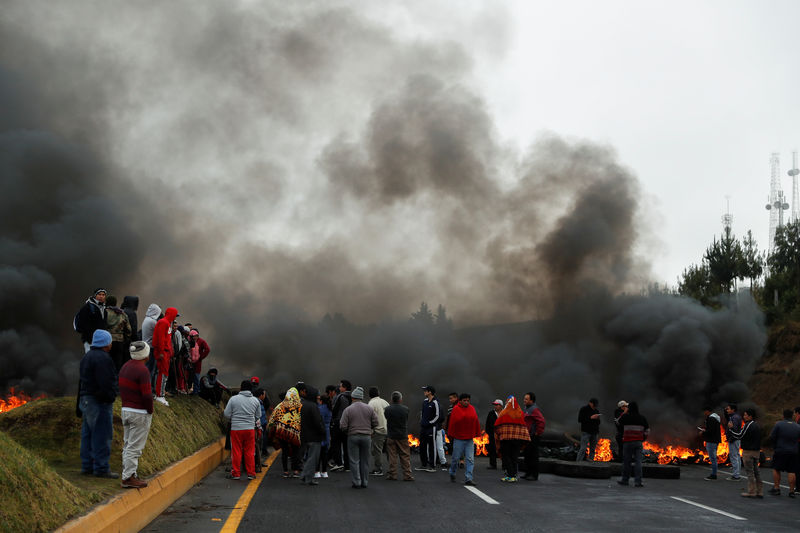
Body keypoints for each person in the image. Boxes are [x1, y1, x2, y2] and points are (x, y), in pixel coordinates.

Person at [78, 329, 119, 478]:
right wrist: (110, 397)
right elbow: (106, 382)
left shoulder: (87, 356)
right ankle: (101, 468)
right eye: (109, 341)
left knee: (88, 434)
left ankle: (87, 466)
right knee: (102, 434)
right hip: (99, 402)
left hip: (86, 399)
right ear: (105, 343)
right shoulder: (103, 358)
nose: (111, 344)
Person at [119, 341, 153, 488]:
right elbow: (146, 395)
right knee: (134, 447)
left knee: (127, 445)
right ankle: (128, 477)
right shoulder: (143, 370)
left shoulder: (125, 366)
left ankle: (129, 474)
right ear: (145, 354)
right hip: (139, 412)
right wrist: (150, 410)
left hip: (125, 409)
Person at [339, 386, 378, 488]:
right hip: (366, 437)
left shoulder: (348, 409)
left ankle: (356, 482)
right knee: (365, 461)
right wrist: (370, 429)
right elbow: (376, 422)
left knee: (354, 460)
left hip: (353, 437)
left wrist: (348, 431)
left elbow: (342, 426)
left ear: (352, 397)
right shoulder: (369, 408)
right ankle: (364, 482)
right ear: (361, 397)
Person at [223, 380, 262, 480]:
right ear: (251, 389)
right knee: (250, 451)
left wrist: (235, 417)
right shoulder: (255, 400)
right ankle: (251, 473)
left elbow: (226, 414)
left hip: (236, 429)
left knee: (236, 451)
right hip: (249, 429)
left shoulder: (233, 399)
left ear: (241, 388)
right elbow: (258, 416)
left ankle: (236, 473)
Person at [447, 393, 481, 486]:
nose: (466, 402)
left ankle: (469, 478)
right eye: (464, 400)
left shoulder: (472, 409)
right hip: (459, 438)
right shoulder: (456, 409)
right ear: (460, 401)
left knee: (470, 459)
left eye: (468, 400)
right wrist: (451, 435)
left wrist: (475, 433)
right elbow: (453, 423)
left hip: (469, 438)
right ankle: (452, 472)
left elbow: (475, 420)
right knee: (455, 458)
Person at [494, 396, 530, 483]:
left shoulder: (504, 413)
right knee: (514, 457)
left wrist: (499, 434)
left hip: (506, 439)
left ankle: (510, 475)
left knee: (506, 456)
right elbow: (524, 426)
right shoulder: (520, 413)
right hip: (517, 440)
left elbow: (497, 425)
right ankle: (513, 475)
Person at [269, 387, 302, 478]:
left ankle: (286, 472)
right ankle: (295, 471)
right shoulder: (299, 406)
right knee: (296, 451)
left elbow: (272, 420)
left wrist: (273, 430)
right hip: (295, 433)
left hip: (282, 432)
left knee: (285, 451)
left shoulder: (280, 406)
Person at [767, 409, 800, 496]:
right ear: (792, 416)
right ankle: (792, 491)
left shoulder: (779, 424)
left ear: (783, 416)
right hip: (793, 452)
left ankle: (776, 488)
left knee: (776, 469)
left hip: (780, 450)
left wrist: (774, 446)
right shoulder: (797, 426)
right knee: (792, 471)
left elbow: (772, 436)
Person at [731, 407, 762, 498]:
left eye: (745, 415)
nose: (744, 417)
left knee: (750, 472)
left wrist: (731, 429)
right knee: (757, 472)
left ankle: (752, 492)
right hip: (756, 451)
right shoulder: (757, 425)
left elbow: (740, 435)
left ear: (750, 416)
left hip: (749, 451)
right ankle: (759, 492)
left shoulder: (748, 425)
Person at [616, 401, 649, 487]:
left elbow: (618, 422)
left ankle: (625, 480)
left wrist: (624, 412)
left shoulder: (626, 417)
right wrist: (643, 439)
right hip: (638, 442)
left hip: (628, 442)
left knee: (627, 461)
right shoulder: (642, 418)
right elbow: (647, 430)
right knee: (638, 462)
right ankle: (638, 482)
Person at [384, 391, 414, 481]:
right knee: (405, 455)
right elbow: (406, 419)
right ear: (400, 399)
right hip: (402, 435)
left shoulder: (387, 409)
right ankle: (407, 475)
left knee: (392, 456)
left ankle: (392, 474)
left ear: (391, 399)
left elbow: (386, 418)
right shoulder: (406, 409)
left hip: (391, 435)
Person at [299, 386, 325, 486]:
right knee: (313, 458)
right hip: (314, 436)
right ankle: (307, 477)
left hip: (304, 435)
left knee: (309, 457)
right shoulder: (313, 406)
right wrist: (323, 432)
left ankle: (306, 476)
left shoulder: (302, 404)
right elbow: (318, 422)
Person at [152, 307, 179, 406]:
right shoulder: (164, 323)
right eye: (175, 315)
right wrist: (161, 352)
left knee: (164, 373)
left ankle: (160, 393)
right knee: (162, 373)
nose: (175, 318)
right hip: (163, 352)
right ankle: (160, 395)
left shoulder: (167, 323)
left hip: (166, 352)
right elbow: (160, 339)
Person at [416, 385, 441, 473]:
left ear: (430, 392)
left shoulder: (435, 402)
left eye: (425, 390)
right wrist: (422, 421)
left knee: (432, 446)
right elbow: (422, 413)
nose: (424, 392)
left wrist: (430, 423)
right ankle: (423, 464)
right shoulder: (425, 401)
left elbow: (438, 416)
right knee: (422, 446)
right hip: (423, 427)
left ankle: (432, 466)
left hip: (431, 428)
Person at [75, 288, 108, 353]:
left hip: (100, 341)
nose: (101, 296)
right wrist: (90, 338)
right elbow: (84, 323)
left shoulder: (104, 309)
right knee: (91, 358)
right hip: (90, 340)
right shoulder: (88, 307)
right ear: (95, 296)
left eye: (103, 295)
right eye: (99, 294)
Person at [329, 380, 352, 471]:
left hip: (339, 422)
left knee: (336, 443)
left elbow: (334, 410)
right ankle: (347, 466)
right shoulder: (352, 397)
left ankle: (339, 463)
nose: (339, 388)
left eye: (341, 386)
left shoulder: (340, 396)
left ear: (344, 388)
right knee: (346, 445)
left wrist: (333, 421)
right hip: (349, 423)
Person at [105, 295, 132, 373]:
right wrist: (126, 338)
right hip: (119, 342)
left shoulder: (103, 313)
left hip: (107, 342)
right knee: (118, 366)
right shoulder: (122, 313)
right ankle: (117, 383)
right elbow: (129, 330)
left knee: (107, 365)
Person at [522, 392, 546, 481]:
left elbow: (541, 421)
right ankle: (528, 473)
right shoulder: (526, 408)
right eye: (524, 398)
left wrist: (537, 433)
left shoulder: (534, 409)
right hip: (527, 436)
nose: (524, 400)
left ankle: (534, 475)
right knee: (527, 455)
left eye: (526, 399)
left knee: (533, 456)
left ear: (531, 401)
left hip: (533, 436)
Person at [368, 386, 389, 476]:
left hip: (378, 431)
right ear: (378, 393)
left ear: (369, 395)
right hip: (388, 430)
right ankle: (392, 468)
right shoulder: (385, 402)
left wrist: (371, 431)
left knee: (377, 451)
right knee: (389, 451)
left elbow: (369, 419)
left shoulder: (371, 404)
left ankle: (378, 469)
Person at [700, 406, 722, 480]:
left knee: (713, 458)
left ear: (707, 411)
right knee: (713, 458)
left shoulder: (711, 418)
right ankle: (713, 473)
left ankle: (713, 475)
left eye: (705, 411)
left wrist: (703, 432)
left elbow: (710, 431)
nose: (704, 413)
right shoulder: (716, 418)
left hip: (711, 441)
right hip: (714, 440)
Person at [141, 303, 161, 379]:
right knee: (150, 369)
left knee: (146, 367)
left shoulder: (146, 319)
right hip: (151, 347)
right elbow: (159, 333)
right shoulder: (152, 322)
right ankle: (148, 387)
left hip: (146, 346)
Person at [438, 392, 458, 469]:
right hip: (451, 430)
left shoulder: (459, 406)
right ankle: (455, 461)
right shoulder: (450, 407)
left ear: (456, 398)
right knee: (453, 445)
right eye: (449, 398)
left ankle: (461, 461)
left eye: (451, 398)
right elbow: (448, 419)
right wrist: (446, 428)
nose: (450, 400)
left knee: (458, 445)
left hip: (457, 430)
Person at [316, 390, 333, 479]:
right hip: (327, 431)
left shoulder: (320, 408)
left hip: (320, 431)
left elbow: (318, 421)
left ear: (321, 400)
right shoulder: (330, 408)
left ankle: (317, 471)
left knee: (318, 452)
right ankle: (324, 471)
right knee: (325, 452)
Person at [724, 403, 743, 481]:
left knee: (733, 456)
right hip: (736, 439)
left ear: (733, 410)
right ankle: (737, 473)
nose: (727, 410)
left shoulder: (734, 418)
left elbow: (733, 429)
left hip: (733, 439)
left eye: (728, 409)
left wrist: (730, 437)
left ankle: (736, 476)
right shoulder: (735, 416)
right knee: (737, 456)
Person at [189, 329, 210, 395]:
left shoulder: (201, 341)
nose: (196, 337)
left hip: (197, 362)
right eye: (194, 335)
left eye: (197, 335)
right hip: (189, 361)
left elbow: (207, 349)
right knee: (189, 376)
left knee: (196, 376)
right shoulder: (190, 340)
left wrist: (201, 357)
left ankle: (196, 391)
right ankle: (189, 389)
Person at [485, 399, 503, 470]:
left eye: (497, 405)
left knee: (503, 449)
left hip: (502, 435)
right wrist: (490, 433)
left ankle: (504, 465)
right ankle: (493, 464)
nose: (495, 406)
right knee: (492, 449)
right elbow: (488, 424)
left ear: (501, 406)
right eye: (494, 405)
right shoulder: (491, 413)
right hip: (492, 435)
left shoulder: (504, 413)